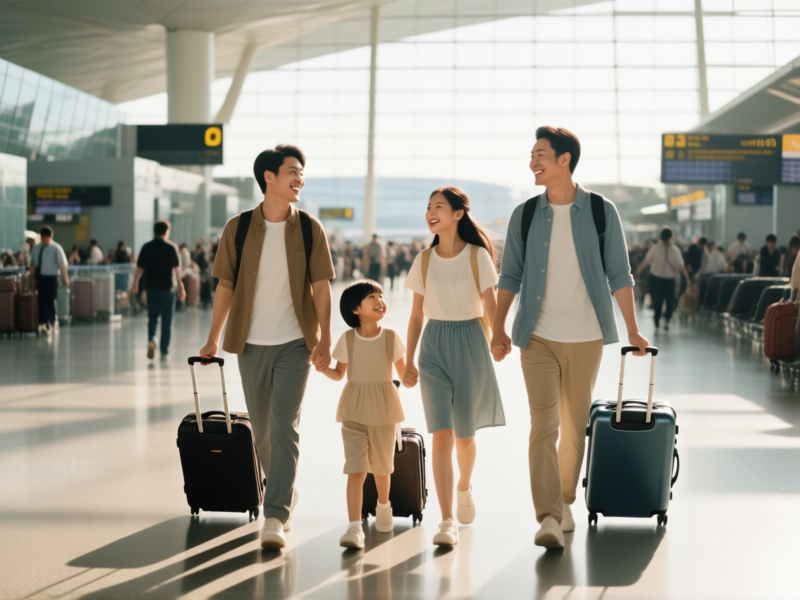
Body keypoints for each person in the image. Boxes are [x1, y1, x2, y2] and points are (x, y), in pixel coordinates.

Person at [491, 126, 649, 549]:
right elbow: (510, 274)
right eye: (531, 154)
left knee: (574, 427)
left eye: (540, 154)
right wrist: (498, 326)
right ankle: (545, 516)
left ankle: (564, 501)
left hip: (585, 337)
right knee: (543, 425)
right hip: (537, 336)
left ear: (565, 160)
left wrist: (632, 328)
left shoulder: (600, 211)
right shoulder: (525, 214)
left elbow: (620, 273)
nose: (532, 162)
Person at [198, 145, 335, 550]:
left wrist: (325, 337)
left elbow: (322, 289)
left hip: (296, 343)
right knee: (262, 434)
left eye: (302, 172)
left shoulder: (310, 229)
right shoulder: (237, 229)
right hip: (251, 343)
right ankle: (285, 489)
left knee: (284, 426)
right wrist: (212, 337)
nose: (300, 179)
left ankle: (275, 514)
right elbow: (225, 286)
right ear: (268, 177)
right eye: (292, 171)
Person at [404, 186, 505, 548]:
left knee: (465, 435)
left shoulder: (478, 256)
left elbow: (491, 307)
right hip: (434, 344)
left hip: (470, 342)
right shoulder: (424, 260)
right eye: (428, 207)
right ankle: (446, 519)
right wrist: (409, 360)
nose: (431, 212)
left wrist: (499, 338)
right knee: (441, 434)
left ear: (458, 214)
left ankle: (465, 485)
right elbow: (416, 316)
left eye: (439, 207)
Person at [321, 279, 406, 549]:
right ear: (356, 309)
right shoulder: (348, 339)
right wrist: (321, 366)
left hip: (384, 409)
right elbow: (338, 374)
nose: (380, 300)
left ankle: (384, 506)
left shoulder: (391, 337)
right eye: (373, 296)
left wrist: (418, 371)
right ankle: (354, 526)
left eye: (381, 295)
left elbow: (405, 375)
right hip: (354, 409)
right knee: (356, 468)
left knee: (382, 468)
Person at [133, 221, 186, 361]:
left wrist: (135, 284)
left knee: (152, 318)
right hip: (167, 289)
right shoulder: (171, 247)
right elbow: (177, 271)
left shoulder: (147, 247)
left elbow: (139, 269)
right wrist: (181, 287)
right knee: (167, 321)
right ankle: (164, 351)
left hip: (151, 288)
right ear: (166, 231)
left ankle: (152, 339)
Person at [636, 227, 690, 331]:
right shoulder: (675, 250)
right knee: (670, 300)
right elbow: (682, 266)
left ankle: (657, 321)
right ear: (671, 237)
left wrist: (636, 272)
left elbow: (645, 262)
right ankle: (667, 320)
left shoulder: (655, 248)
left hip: (656, 279)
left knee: (658, 300)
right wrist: (687, 279)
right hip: (669, 280)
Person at [29, 226, 69, 332]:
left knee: (50, 300)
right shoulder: (37, 248)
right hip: (40, 278)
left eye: (46, 237)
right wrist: (32, 277)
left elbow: (62, 264)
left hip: (51, 278)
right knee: (41, 300)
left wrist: (65, 278)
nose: (44, 239)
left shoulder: (56, 248)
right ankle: (42, 322)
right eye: (43, 237)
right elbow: (32, 264)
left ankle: (51, 322)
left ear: (51, 236)